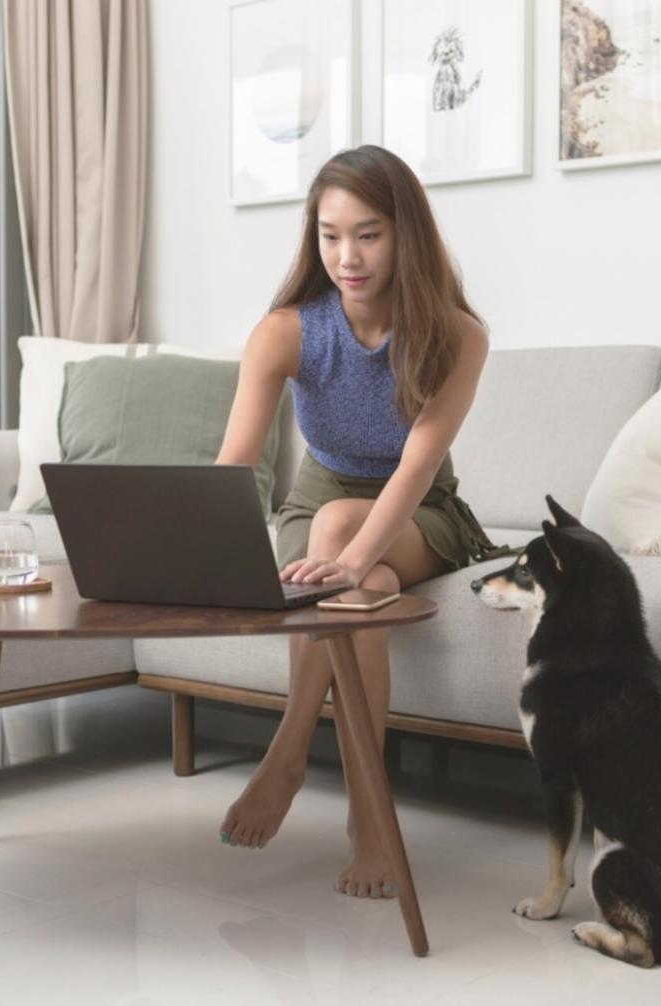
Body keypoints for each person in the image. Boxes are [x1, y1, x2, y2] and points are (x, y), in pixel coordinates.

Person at [213, 145, 510, 899]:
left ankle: (286, 751)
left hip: (424, 512)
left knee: (347, 541)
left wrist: (347, 556)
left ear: (407, 233)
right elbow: (234, 463)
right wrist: (198, 554)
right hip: (317, 506)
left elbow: (414, 473)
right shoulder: (285, 330)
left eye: (368, 234)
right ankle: (371, 819)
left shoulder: (456, 335)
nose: (346, 256)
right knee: (358, 582)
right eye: (329, 234)